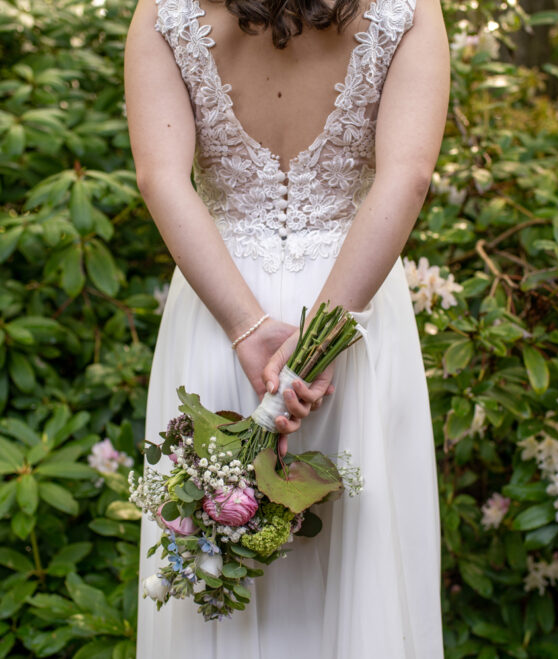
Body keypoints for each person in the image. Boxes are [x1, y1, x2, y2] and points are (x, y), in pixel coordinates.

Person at [123, 0, 449, 653]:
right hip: (352, 313)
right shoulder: (409, 6)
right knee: (362, 561)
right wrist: (325, 330)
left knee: (213, 582)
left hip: (220, 310)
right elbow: (407, 176)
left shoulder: (165, 8)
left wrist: (246, 328)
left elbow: (160, 177)